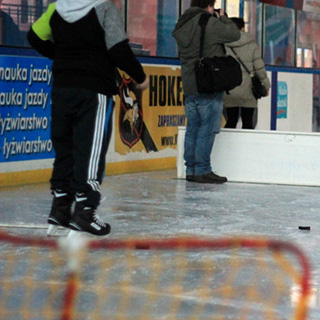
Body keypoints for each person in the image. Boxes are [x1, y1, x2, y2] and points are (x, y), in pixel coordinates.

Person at [27, 0, 149, 236]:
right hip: (94, 88)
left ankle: (61, 208)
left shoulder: (57, 7)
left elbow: (34, 37)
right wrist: (140, 77)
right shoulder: (104, 8)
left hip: (62, 88)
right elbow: (118, 49)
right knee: (90, 149)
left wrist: (60, 56)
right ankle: (84, 210)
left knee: (66, 147)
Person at [172, 0, 240, 184]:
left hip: (189, 83)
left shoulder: (182, 23)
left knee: (193, 127)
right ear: (209, 5)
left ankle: (191, 169)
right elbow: (234, 34)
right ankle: (202, 169)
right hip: (207, 82)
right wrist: (224, 18)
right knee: (207, 128)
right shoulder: (209, 23)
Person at [223, 17, 270, 130]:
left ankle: (228, 147)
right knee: (248, 122)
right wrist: (266, 86)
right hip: (249, 89)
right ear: (243, 28)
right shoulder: (251, 45)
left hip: (230, 89)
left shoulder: (223, 45)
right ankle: (247, 147)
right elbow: (259, 68)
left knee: (231, 121)